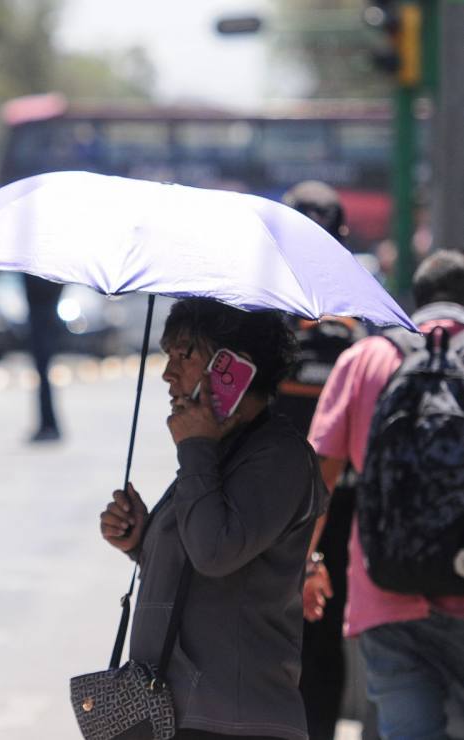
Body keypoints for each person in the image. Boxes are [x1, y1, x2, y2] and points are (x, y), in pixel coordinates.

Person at [100, 298, 324, 740]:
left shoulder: (279, 456)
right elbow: (202, 562)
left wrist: (196, 449)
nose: (168, 373)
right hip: (180, 714)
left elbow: (215, 553)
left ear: (234, 365)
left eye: (184, 355)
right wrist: (142, 543)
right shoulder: (220, 447)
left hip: (235, 720)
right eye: (168, 355)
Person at [306, 250, 464, 739]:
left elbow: (318, 477)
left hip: (385, 594)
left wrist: (307, 559)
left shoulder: (365, 359)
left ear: (414, 301)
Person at [274, 181, 366, 740]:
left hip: (262, 508)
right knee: (324, 635)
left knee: (257, 634)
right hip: (338, 506)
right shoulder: (361, 324)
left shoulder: (254, 321)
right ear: (344, 240)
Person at [23, 273, 63, 442]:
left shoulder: (40, 272)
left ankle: (48, 425)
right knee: (43, 376)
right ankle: (47, 423)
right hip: (43, 326)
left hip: (42, 328)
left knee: (43, 375)